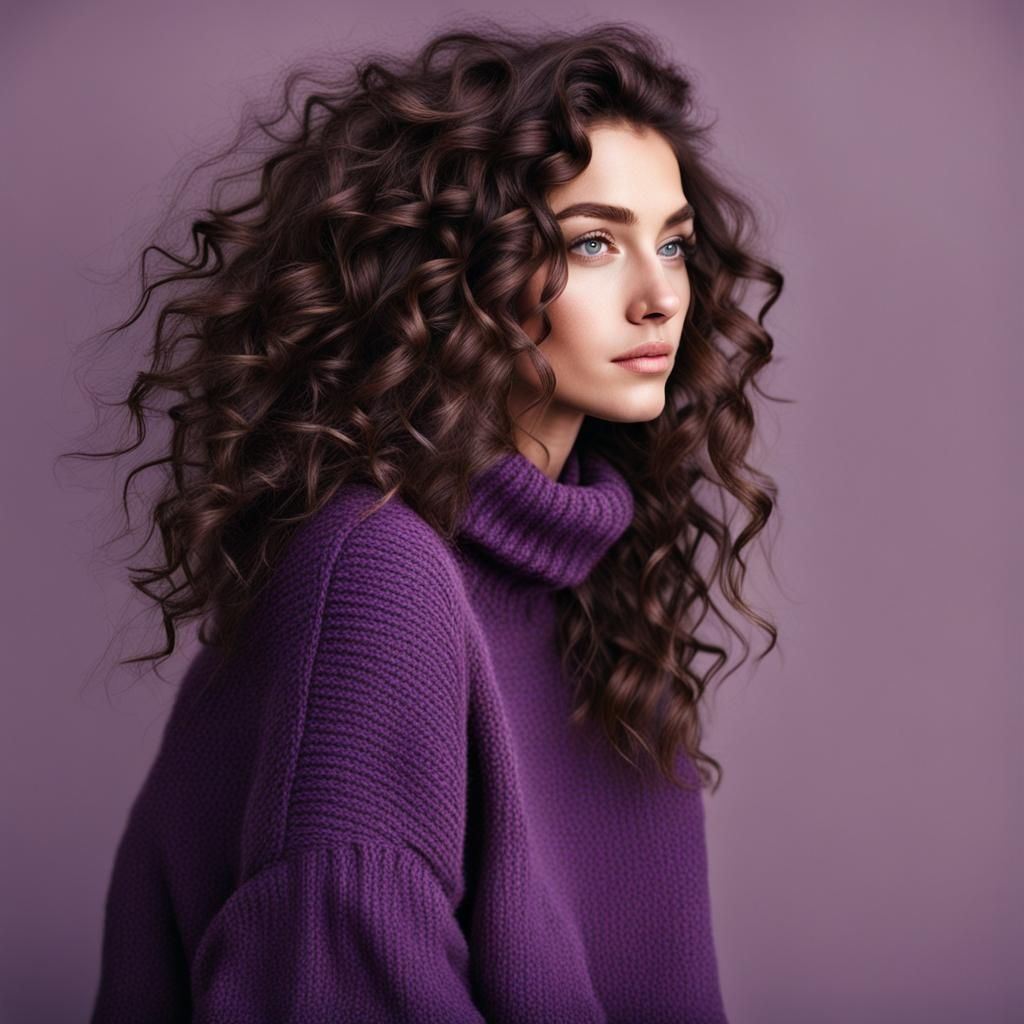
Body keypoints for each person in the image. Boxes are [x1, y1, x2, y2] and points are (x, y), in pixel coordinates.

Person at [76, 17, 784, 1023]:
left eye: (671, 243)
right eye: (592, 242)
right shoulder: (376, 572)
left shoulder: (607, 599)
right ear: (454, 274)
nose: (659, 294)